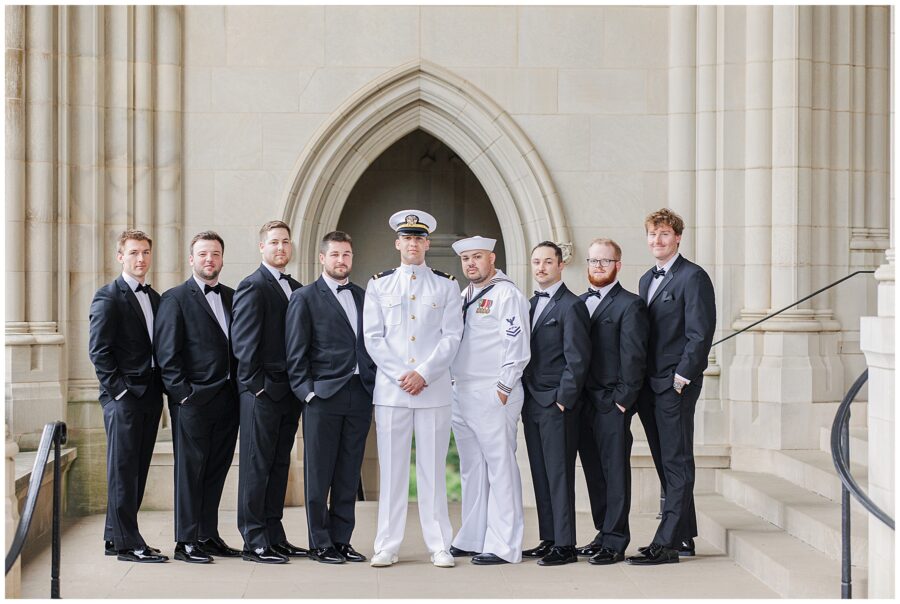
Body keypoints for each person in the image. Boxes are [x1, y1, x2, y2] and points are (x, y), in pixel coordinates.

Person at [363, 210, 463, 568]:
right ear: (397, 243)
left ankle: (439, 544)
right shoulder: (379, 284)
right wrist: (401, 375)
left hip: (432, 390)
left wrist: (423, 373)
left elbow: (453, 336)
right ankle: (387, 545)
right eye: (407, 238)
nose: (413, 244)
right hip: (392, 392)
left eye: (419, 238)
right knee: (391, 471)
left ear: (427, 243)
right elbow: (373, 338)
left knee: (433, 470)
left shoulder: (446, 284)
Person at [626, 208, 716, 566]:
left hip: (675, 384)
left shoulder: (693, 277)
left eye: (664, 234)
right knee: (666, 461)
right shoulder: (647, 279)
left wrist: (682, 377)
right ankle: (683, 536)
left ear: (677, 237)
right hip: (650, 385)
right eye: (652, 235)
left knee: (677, 461)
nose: (657, 241)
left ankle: (666, 543)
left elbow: (700, 333)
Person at [285, 231, 376, 565]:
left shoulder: (364, 296)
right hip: (322, 395)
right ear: (322, 258)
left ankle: (342, 540)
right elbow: (295, 352)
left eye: (347, 254)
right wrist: (307, 392)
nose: (342, 260)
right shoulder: (305, 297)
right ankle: (319, 542)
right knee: (319, 473)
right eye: (335, 254)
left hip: (359, 394)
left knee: (348, 473)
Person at [154, 231, 241, 563]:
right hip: (192, 402)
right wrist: (183, 396)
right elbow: (167, 355)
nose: (210, 259)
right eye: (203, 254)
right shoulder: (174, 299)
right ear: (192, 259)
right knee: (190, 471)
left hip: (227, 401)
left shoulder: (233, 297)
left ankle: (207, 534)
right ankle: (185, 541)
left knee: (216, 470)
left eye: (215, 254)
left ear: (222, 259)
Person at [448, 236, 531, 565]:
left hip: (493, 391)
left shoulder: (506, 294)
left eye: (477, 257)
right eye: (466, 258)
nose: (471, 263)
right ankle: (472, 535)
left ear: (492, 259)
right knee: (471, 468)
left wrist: (504, 387)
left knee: (500, 468)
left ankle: (503, 543)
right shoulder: (463, 296)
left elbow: (517, 345)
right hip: (462, 391)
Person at [88, 229, 168, 563]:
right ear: (121, 256)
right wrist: (119, 392)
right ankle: (129, 543)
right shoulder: (108, 297)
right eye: (134, 252)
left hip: (150, 395)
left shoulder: (155, 298)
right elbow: (98, 351)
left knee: (136, 470)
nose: (141, 259)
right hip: (124, 398)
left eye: (146, 252)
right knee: (123, 471)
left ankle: (113, 537)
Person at [231, 220, 307, 564]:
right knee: (255, 466)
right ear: (262, 247)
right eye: (274, 242)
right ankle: (254, 539)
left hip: (290, 393)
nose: (280, 248)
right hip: (261, 393)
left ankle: (275, 534)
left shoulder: (296, 287)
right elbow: (243, 346)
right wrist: (258, 388)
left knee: (279, 465)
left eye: (285, 242)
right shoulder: (252, 286)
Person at [575, 238, 648, 565]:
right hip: (582, 404)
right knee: (593, 471)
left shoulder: (630, 305)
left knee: (615, 472)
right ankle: (603, 533)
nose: (598, 266)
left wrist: (623, 401)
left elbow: (634, 357)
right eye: (593, 261)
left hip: (612, 403)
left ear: (618, 265)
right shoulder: (578, 302)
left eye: (605, 261)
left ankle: (616, 541)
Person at [521, 241, 591, 566]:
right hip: (531, 402)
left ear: (561, 265)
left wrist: (563, 400)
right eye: (536, 262)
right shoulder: (530, 304)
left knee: (559, 474)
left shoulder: (571, 305)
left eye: (548, 262)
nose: (541, 268)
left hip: (556, 405)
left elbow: (577, 359)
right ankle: (549, 538)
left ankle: (566, 544)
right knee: (540, 472)